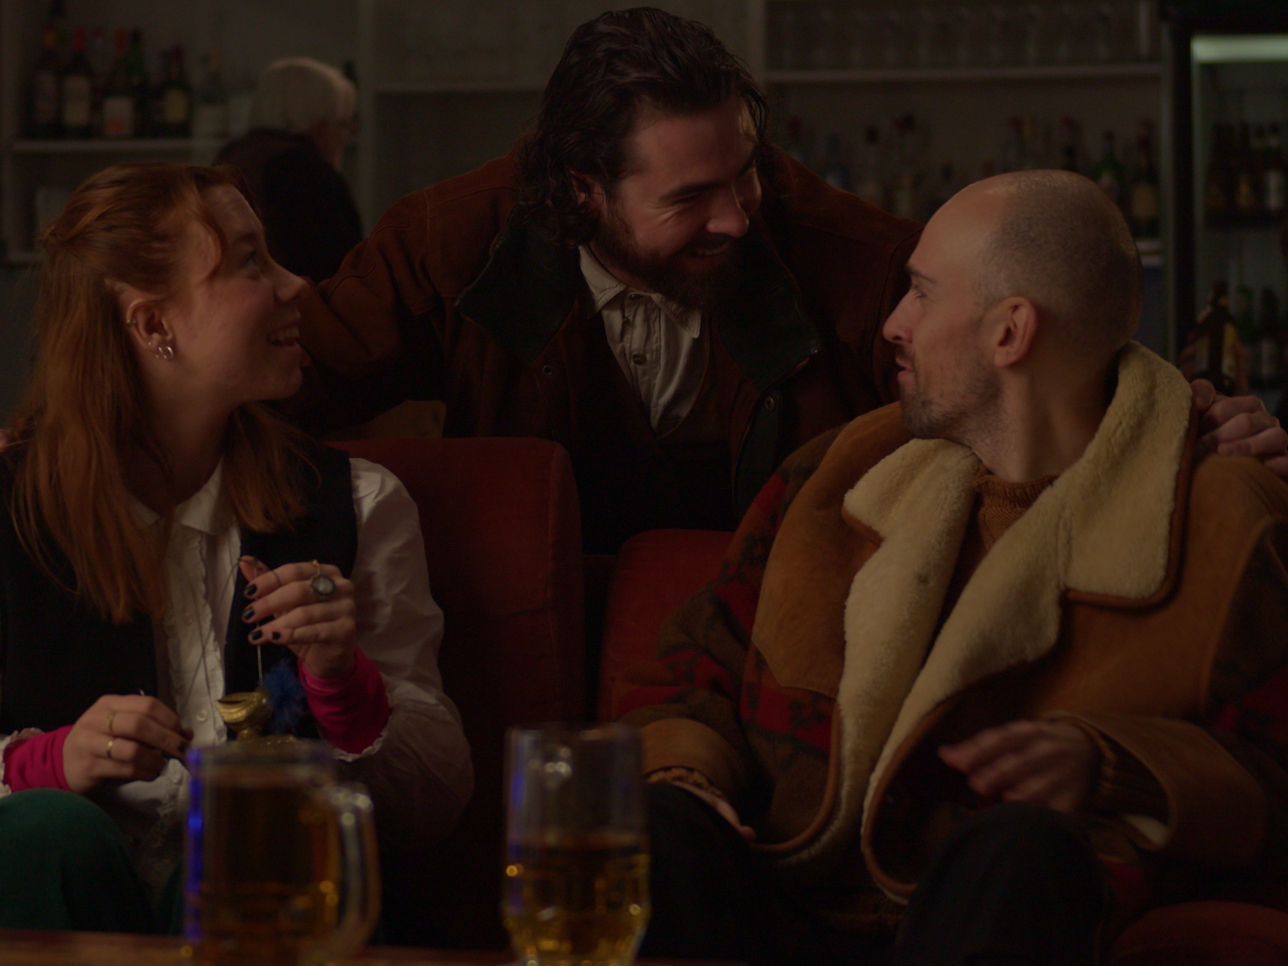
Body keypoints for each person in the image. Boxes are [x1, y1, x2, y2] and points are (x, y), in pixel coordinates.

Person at [290, 7, 1287, 553]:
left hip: (764, 624)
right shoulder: (448, 242)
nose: (737, 216)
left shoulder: (832, 243)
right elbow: (290, 385)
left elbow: (1009, 362)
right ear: (583, 188)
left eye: (747, 171)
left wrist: (1180, 422)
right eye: (691, 197)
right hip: (524, 640)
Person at [616, 170, 1288, 966]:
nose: (893, 324)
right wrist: (686, 774)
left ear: (1010, 333)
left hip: (1001, 912)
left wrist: (1115, 765)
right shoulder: (834, 474)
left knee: (1023, 849)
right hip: (791, 890)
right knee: (655, 823)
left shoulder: (1220, 515)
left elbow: (1273, 777)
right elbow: (694, 673)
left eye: (921, 294)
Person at [0, 162, 472, 933]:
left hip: (261, 917)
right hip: (60, 907)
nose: (298, 285)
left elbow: (436, 805)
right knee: (44, 834)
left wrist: (341, 682)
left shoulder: (358, 503)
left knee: (263, 825)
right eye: (251, 262)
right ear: (153, 325)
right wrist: (47, 762)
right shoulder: (10, 505)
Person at [215, 58, 362, 284]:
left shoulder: (232, 154)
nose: (343, 136)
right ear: (320, 127)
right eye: (342, 124)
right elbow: (342, 270)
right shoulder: (306, 171)